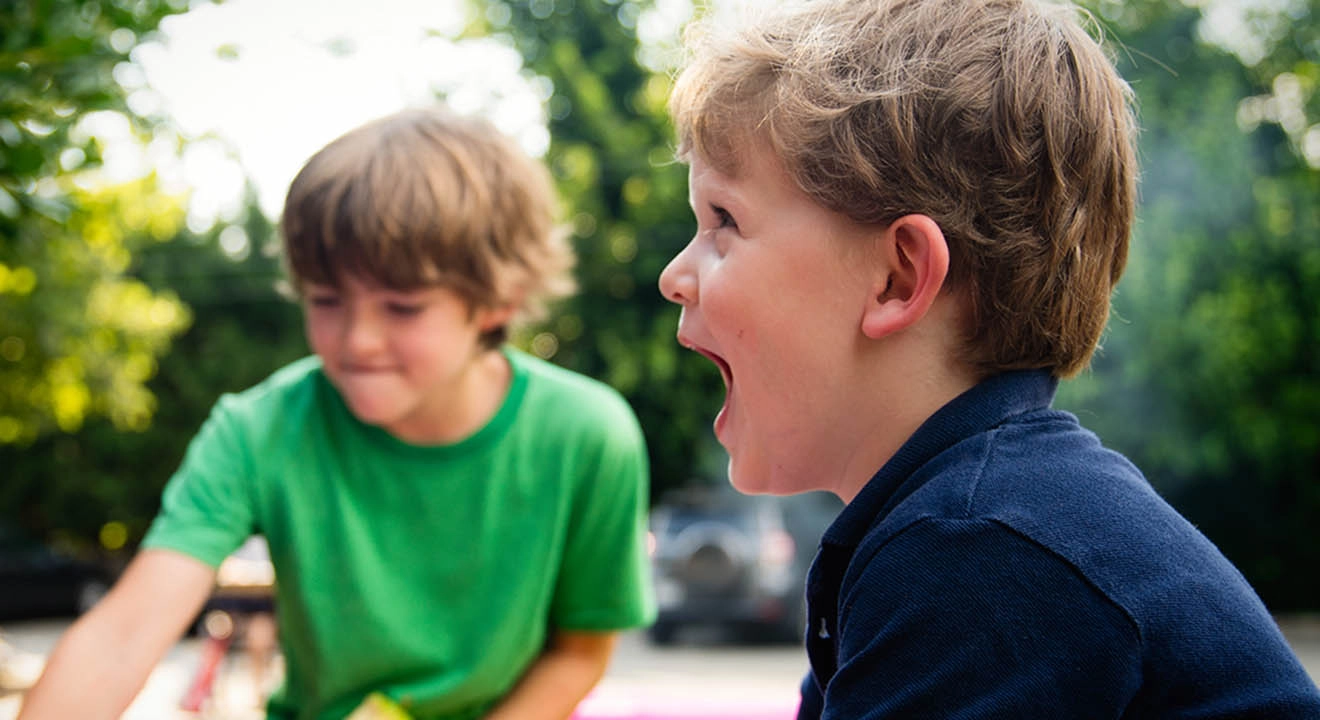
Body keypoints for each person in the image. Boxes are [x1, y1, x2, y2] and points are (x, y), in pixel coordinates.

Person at [657, 0, 1320, 717]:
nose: (673, 276)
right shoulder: (967, 519)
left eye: (724, 221)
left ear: (899, 278)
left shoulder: (975, 554)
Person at [20, 106, 656, 719]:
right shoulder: (258, 430)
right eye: (326, 300)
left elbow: (580, 652)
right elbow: (124, 634)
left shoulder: (587, 435)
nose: (357, 341)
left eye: (403, 307)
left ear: (499, 300)